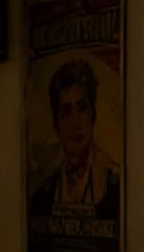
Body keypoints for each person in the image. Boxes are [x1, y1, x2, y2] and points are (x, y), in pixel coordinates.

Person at [29, 58, 120, 222]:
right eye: (66, 112)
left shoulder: (116, 187)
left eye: (82, 108)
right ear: (56, 123)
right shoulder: (42, 197)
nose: (76, 123)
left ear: (93, 114)